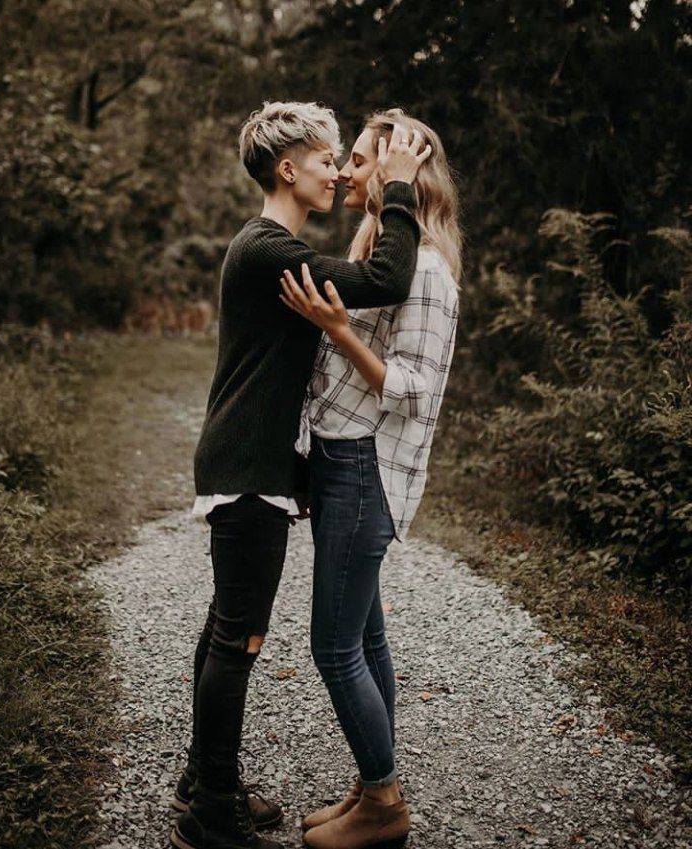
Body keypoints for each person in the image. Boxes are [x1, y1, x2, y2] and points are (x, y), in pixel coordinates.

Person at [171, 101, 432, 849]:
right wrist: (401, 188)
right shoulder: (268, 249)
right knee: (239, 637)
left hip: (253, 465)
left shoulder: (268, 247)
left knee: (226, 626)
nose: (334, 170)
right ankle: (212, 811)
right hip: (249, 470)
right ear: (288, 168)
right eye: (327, 159)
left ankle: (205, 779)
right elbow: (384, 276)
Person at [277, 108, 461, 849]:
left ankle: (384, 802)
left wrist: (338, 329)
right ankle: (369, 783)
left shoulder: (429, 270)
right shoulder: (381, 251)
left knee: (333, 646)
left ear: (400, 175)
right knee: (368, 638)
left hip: (366, 467)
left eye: (361, 160)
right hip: (339, 456)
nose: (346, 170)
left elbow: (418, 385)